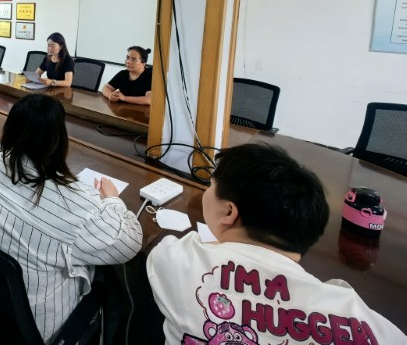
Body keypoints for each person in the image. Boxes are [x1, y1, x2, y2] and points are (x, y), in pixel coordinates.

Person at [146, 143, 406, 344]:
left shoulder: (179, 258)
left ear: (228, 212)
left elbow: (161, 250)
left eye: (210, 185)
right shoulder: (349, 310)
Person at [0, 94, 142, 343]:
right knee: (111, 285)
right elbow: (129, 243)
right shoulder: (70, 202)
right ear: (59, 140)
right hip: (36, 330)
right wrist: (112, 199)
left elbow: (2, 152)